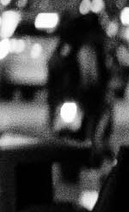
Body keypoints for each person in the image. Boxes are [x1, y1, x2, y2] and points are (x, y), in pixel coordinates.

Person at [45, 9, 120, 161]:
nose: (90, 36)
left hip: (95, 96)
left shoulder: (100, 49)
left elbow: (109, 70)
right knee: (64, 126)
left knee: (103, 119)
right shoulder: (68, 47)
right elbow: (55, 68)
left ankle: (97, 148)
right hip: (73, 95)